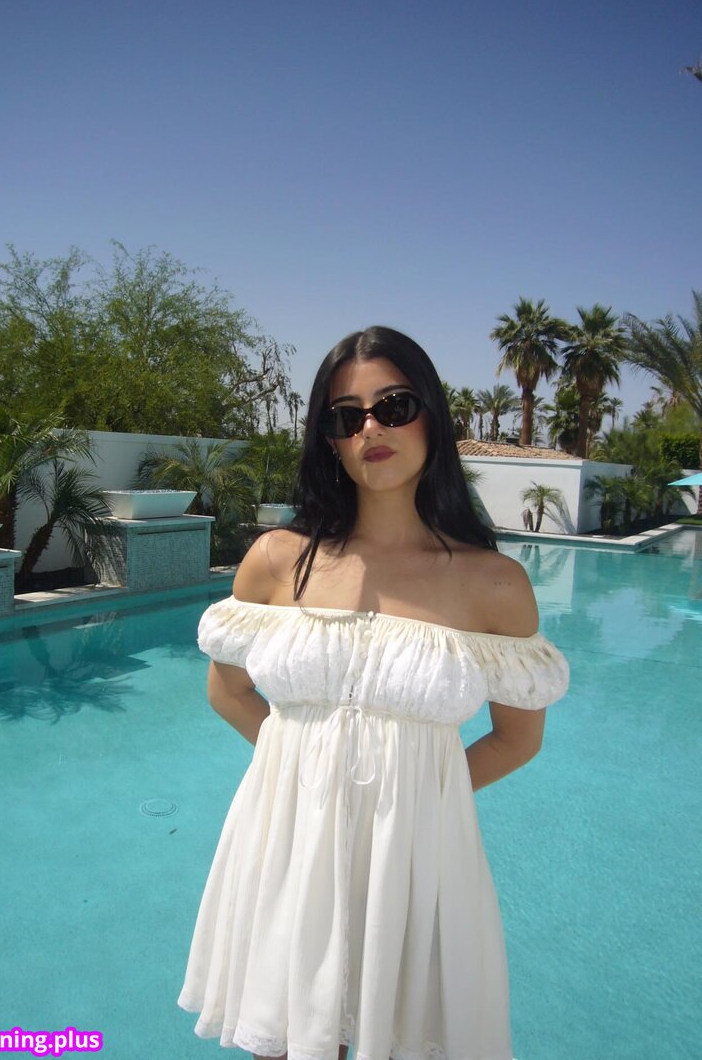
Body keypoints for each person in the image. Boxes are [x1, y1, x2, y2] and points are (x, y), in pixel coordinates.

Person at [178, 326, 569, 1060]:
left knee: (400, 1038)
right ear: (328, 439)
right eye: (346, 415)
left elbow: (518, 739)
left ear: (432, 418)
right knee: (284, 1040)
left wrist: (408, 798)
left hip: (418, 855)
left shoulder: (493, 584)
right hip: (289, 843)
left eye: (394, 406)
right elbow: (228, 693)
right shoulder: (276, 561)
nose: (371, 429)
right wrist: (308, 778)